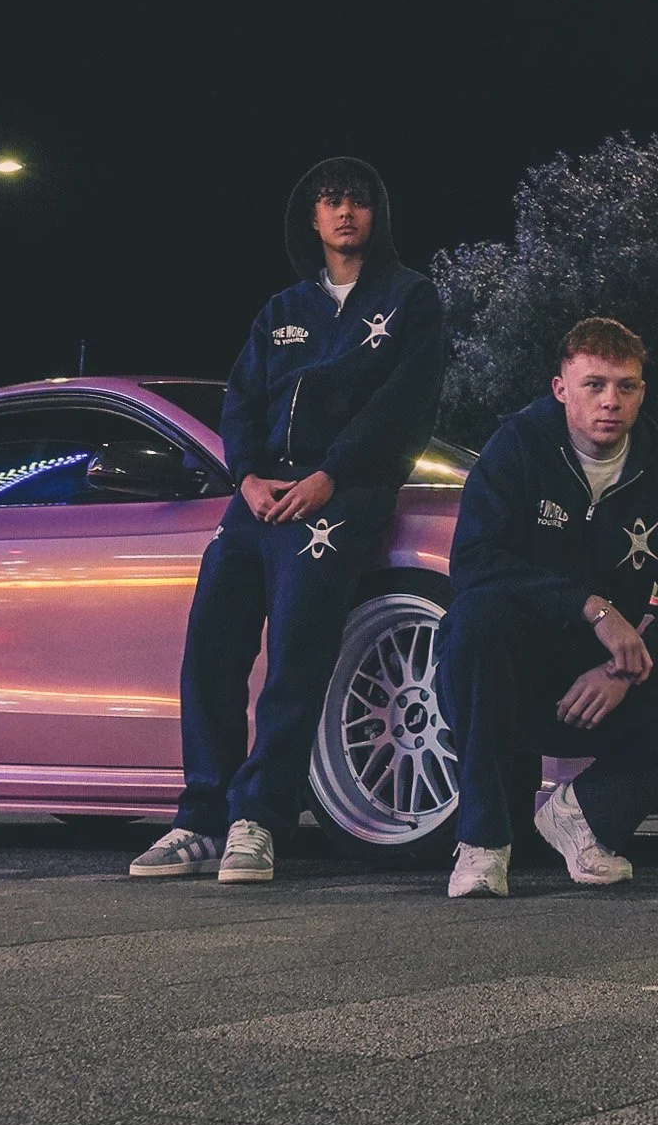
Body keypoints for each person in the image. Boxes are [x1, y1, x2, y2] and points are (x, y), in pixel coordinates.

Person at [131, 158, 445, 884]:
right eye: (331, 201)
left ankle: (260, 819)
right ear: (312, 217)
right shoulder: (282, 310)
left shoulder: (410, 299)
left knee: (297, 655)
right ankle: (200, 819)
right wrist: (244, 475)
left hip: (340, 498)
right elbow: (241, 399)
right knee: (210, 650)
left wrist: (332, 474)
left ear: (377, 214)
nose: (345, 212)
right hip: (259, 500)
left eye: (358, 201)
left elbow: (405, 405)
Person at [435, 316, 658, 897]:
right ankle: (482, 841)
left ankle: (584, 816)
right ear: (562, 388)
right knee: (473, 619)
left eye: (626, 386)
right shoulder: (517, 449)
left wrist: (623, 671)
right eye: (594, 385)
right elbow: (475, 563)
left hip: (602, 688)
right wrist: (592, 608)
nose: (611, 401)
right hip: (514, 682)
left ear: (642, 392)